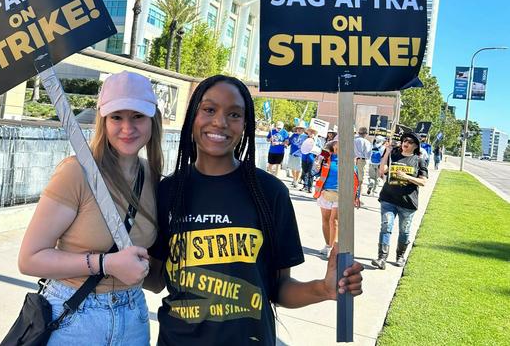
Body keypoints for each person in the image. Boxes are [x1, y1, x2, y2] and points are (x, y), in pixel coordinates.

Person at [146, 75, 363, 345]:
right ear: (192, 116)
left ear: (245, 125)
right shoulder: (168, 191)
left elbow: (278, 289)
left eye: (234, 114)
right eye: (209, 109)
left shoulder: (269, 192)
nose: (220, 122)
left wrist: (323, 289)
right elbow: (154, 279)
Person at [17, 71, 163, 345]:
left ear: (153, 119)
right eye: (116, 117)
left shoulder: (153, 177)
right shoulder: (77, 173)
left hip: (134, 317)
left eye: (138, 117)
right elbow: (29, 259)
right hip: (75, 316)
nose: (127, 128)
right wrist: (106, 263)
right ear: (103, 120)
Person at [372, 132, 428, 270]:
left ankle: (400, 256)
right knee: (386, 226)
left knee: (404, 231)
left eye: (410, 141)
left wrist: (406, 177)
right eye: (404, 140)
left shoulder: (419, 160)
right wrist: (387, 153)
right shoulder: (394, 156)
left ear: (415, 146)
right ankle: (381, 258)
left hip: (407, 202)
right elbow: (382, 170)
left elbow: (423, 182)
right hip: (388, 198)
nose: (406, 143)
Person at [312, 137, 361, 259]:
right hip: (325, 193)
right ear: (333, 144)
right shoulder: (325, 157)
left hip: (342, 195)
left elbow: (355, 179)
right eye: (338, 142)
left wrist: (356, 197)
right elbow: (314, 172)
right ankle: (328, 245)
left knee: (334, 221)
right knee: (325, 220)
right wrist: (316, 165)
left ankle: (332, 247)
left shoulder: (349, 160)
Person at [300, 125, 320, 194]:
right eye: (310, 131)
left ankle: (309, 187)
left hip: (312, 158)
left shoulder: (317, 140)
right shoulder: (304, 138)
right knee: (304, 172)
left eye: (313, 131)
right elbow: (301, 145)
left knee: (310, 173)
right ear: (307, 132)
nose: (311, 133)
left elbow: (319, 149)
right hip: (304, 157)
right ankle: (304, 185)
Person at [353, 127, 372, 196]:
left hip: (352, 159)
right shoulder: (367, 142)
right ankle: (356, 196)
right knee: (359, 180)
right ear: (365, 134)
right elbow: (368, 154)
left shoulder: (354, 140)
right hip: (361, 160)